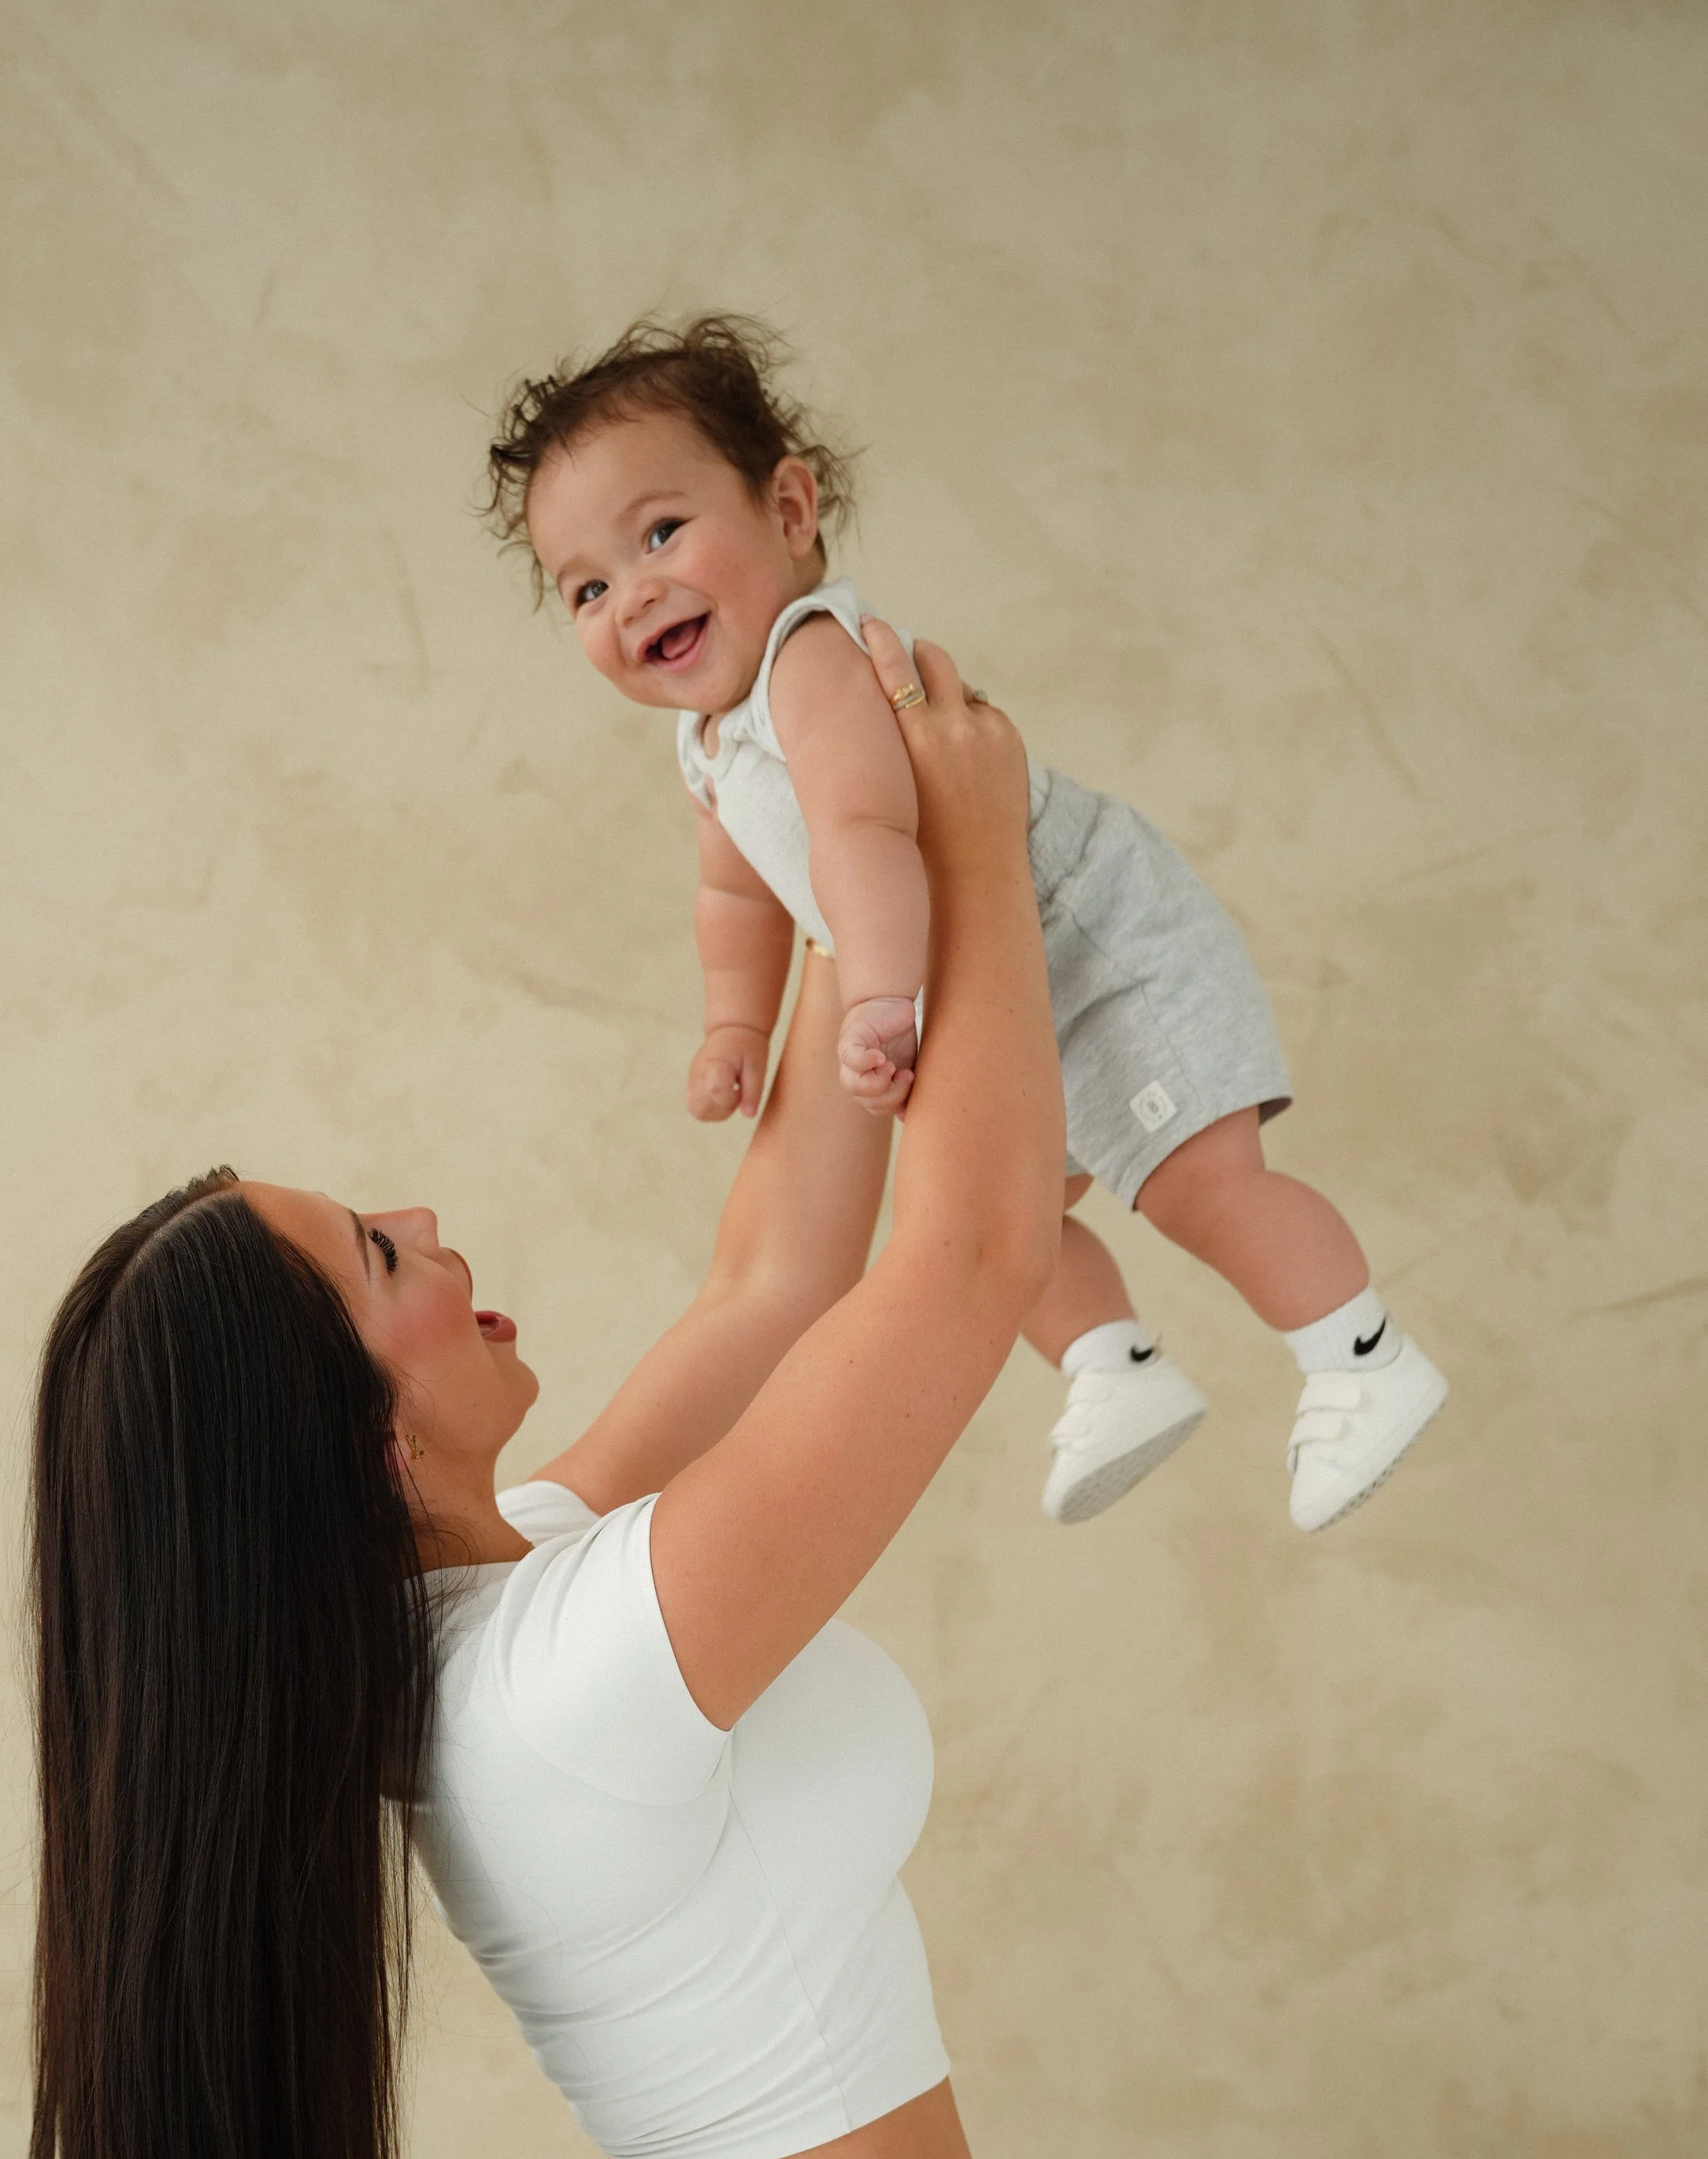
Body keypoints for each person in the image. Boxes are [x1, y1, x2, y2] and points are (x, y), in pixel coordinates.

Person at [0, 628, 1062, 2159]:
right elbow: (964, 1262)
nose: (438, 1229)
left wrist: (833, 894)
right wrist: (968, 845)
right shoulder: (571, 1677)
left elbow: (784, 1258)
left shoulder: (502, 1605)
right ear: (352, 1441)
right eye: (381, 1252)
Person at [486, 312, 1449, 1535]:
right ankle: (1118, 1370)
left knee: (1199, 1182)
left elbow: (868, 835)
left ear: (788, 509)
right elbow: (740, 897)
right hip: (986, 983)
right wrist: (734, 1023)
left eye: (662, 533)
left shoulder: (810, 657)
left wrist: (885, 1000)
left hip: (1088, 941)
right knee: (1000, 1211)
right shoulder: (710, 742)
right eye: (587, 587)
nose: (635, 595)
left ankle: (1360, 1354)